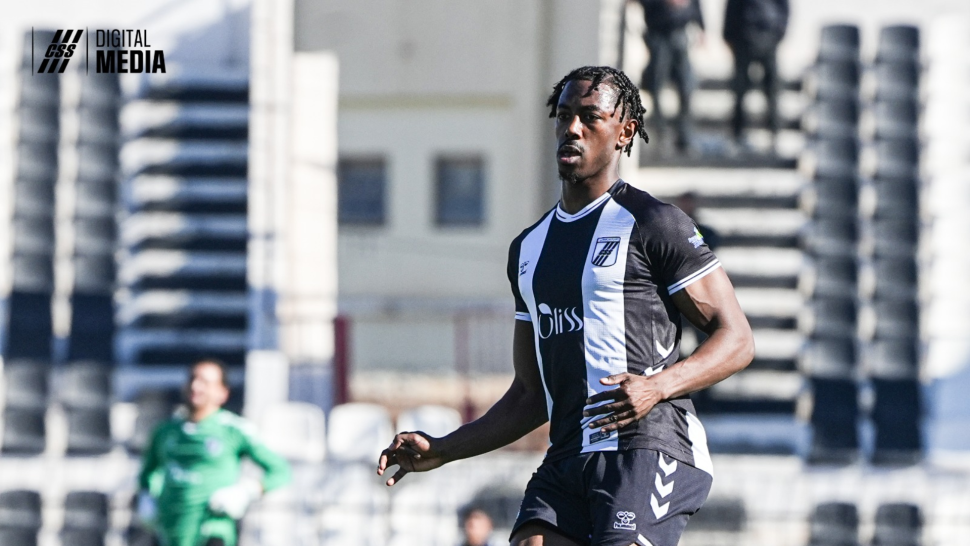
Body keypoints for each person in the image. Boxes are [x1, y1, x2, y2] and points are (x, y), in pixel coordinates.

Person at [378, 65, 754, 546]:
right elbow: (529, 395)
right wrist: (443, 449)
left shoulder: (654, 223)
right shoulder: (528, 249)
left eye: (590, 117)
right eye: (564, 115)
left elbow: (737, 339)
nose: (572, 128)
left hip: (645, 448)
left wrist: (657, 386)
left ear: (625, 132)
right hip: (568, 454)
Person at [137, 359, 291, 546]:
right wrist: (146, 497)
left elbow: (280, 470)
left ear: (222, 393)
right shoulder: (165, 431)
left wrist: (246, 491)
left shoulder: (234, 430)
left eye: (205, 382)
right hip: (171, 529)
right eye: (192, 379)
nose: (196, 386)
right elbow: (148, 473)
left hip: (213, 530)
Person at [637, 0, 705, 154]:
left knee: (686, 86)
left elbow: (695, 5)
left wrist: (701, 26)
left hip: (680, 32)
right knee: (656, 86)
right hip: (658, 32)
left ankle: (684, 136)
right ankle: (660, 134)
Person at [723, 0, 790, 150]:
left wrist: (778, 33)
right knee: (740, 90)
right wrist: (728, 35)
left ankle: (774, 133)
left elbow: (784, 9)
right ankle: (737, 133)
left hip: (768, 37)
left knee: (772, 90)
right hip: (743, 38)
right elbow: (732, 8)